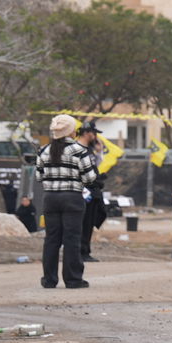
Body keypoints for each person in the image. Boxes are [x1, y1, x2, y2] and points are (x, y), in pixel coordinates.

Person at [36, 114, 98, 289]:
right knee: (72, 239)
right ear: (71, 131)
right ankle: (73, 279)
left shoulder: (43, 150)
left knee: (51, 239)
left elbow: (39, 176)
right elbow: (89, 178)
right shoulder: (79, 150)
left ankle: (49, 280)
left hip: (50, 198)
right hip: (72, 198)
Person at [75, 121, 106, 263]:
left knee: (90, 222)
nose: (95, 137)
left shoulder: (89, 151)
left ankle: (85, 250)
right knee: (82, 223)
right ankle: (80, 251)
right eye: (94, 133)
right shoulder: (77, 150)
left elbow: (94, 167)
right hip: (82, 192)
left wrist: (99, 152)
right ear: (87, 133)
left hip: (92, 192)